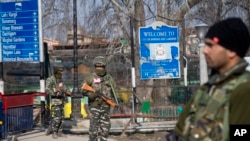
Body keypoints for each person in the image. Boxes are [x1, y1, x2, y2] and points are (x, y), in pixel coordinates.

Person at [171, 17, 250, 141]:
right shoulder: (207, 88)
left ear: (232, 51)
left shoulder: (244, 90)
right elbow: (179, 130)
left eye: (210, 45)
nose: (205, 50)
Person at [80, 56, 121, 141]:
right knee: (93, 129)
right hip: (94, 106)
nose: (99, 68)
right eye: (98, 66)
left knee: (105, 129)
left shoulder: (109, 78)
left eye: (101, 66)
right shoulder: (90, 77)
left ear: (104, 66)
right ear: (95, 67)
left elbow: (115, 90)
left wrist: (118, 99)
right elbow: (82, 89)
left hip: (106, 106)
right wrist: (91, 95)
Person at [45, 65, 71, 139]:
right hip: (55, 101)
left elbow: (64, 87)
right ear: (56, 71)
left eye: (62, 72)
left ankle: (60, 132)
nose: (61, 73)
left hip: (62, 100)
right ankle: (54, 132)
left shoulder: (60, 79)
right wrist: (55, 91)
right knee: (57, 118)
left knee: (62, 118)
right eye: (60, 71)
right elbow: (47, 89)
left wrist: (68, 92)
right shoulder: (50, 79)